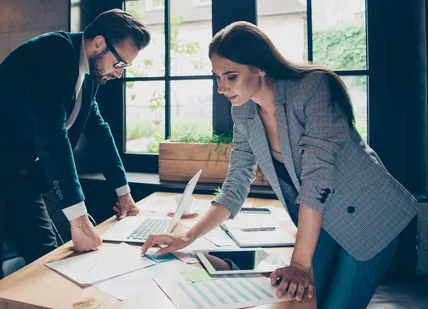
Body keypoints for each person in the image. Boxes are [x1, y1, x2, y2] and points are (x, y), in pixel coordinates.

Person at [141, 21, 417, 308]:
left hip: (371, 215)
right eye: (217, 78)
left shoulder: (312, 87)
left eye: (231, 76)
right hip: (322, 220)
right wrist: (187, 236)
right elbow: (236, 184)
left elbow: (317, 178)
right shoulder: (244, 111)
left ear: (260, 66)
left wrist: (299, 262)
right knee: (301, 302)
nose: (222, 88)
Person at [0, 9, 150, 309]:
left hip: (20, 179)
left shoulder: (88, 73)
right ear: (99, 43)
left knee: (48, 257)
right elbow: (51, 137)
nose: (119, 72)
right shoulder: (51, 52)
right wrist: (77, 217)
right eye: (120, 63)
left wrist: (123, 194)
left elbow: (98, 130)